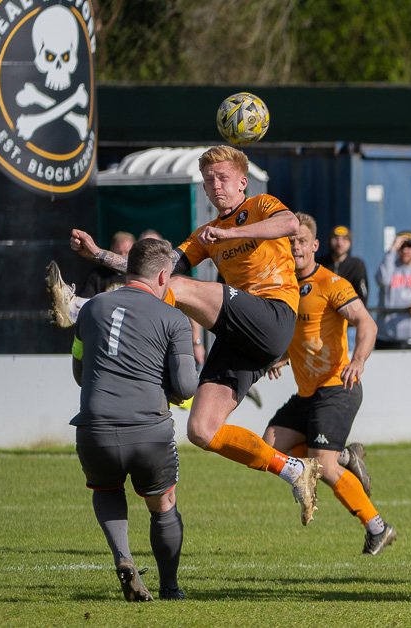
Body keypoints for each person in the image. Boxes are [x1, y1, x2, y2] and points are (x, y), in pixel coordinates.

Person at [59, 146, 325, 525]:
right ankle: (294, 470)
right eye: (209, 180)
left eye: (223, 178)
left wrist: (234, 232)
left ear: (242, 183)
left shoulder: (263, 206)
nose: (215, 185)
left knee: (182, 289)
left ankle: (82, 309)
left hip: (274, 315)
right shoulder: (205, 235)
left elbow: (290, 225)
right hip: (240, 336)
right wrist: (101, 254)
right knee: (202, 430)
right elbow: (156, 275)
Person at [70, 238, 196, 602]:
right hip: (148, 431)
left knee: (107, 490)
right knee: (163, 503)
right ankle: (170, 587)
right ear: (161, 276)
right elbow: (186, 385)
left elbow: (80, 369)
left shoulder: (91, 309)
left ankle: (124, 558)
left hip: (93, 429)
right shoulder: (174, 317)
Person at [261, 213, 395, 553]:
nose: (296, 248)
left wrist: (359, 361)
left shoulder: (332, 284)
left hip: (338, 386)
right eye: (290, 242)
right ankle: (347, 458)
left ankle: (377, 527)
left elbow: (367, 325)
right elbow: (304, 334)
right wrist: (283, 357)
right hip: (308, 392)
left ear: (315, 245)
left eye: (302, 241)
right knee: (270, 446)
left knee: (323, 463)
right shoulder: (284, 286)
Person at [320, 225, 369, 304]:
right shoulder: (320, 264)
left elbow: (362, 295)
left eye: (344, 239)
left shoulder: (357, 265)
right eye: (336, 238)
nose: (340, 243)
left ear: (350, 242)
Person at [78, 232, 135, 298]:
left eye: (126, 252)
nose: (122, 256)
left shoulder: (136, 276)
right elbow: (85, 299)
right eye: (119, 252)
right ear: (112, 251)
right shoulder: (97, 275)